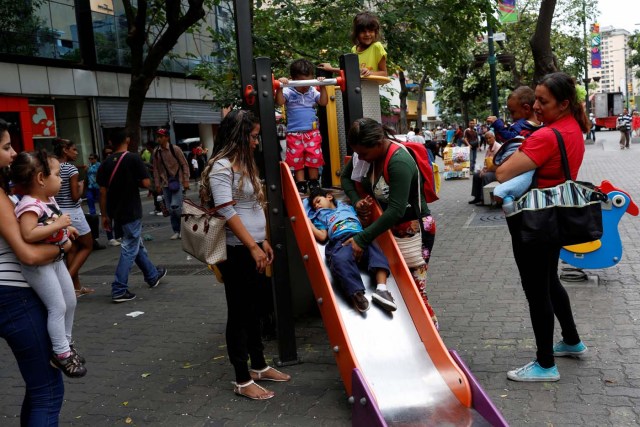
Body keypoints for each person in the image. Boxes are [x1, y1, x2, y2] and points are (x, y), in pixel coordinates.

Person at [496, 72, 589, 382]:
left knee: (537, 290)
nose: (535, 105)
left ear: (563, 104)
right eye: (535, 98)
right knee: (550, 281)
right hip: (555, 216)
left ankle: (545, 364)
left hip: (533, 219)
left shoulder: (546, 136)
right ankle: (572, 341)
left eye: (542, 101)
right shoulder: (572, 128)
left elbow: (502, 173)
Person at [200, 110, 291, 400]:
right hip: (236, 251)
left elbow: (252, 207)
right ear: (239, 136)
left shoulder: (244, 164)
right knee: (239, 313)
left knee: (254, 310)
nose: (255, 142)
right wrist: (252, 245)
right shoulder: (221, 167)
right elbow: (226, 210)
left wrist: (262, 242)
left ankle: (260, 366)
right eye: (252, 136)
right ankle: (241, 378)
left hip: (252, 247)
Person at [341, 118, 438, 329]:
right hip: (387, 228)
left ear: (378, 143)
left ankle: (431, 338)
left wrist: (362, 239)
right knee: (394, 287)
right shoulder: (364, 154)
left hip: (413, 230)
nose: (361, 158)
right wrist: (357, 202)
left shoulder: (399, 161)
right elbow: (346, 179)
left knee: (414, 291)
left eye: (364, 154)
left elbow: (396, 210)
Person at [0, 118, 66, 423]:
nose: (13, 154)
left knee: (39, 387)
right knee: (48, 390)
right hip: (14, 296)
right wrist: (62, 247)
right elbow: (27, 252)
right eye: (6, 147)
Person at [11, 150, 87, 377]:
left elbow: (52, 223)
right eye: (56, 174)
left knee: (70, 300)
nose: (61, 179)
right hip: (39, 266)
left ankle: (66, 343)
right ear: (41, 179)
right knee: (58, 306)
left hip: (55, 260)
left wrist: (66, 228)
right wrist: (58, 226)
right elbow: (29, 234)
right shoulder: (29, 205)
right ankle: (61, 353)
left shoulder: (48, 200)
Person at [97, 128, 167, 303]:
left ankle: (152, 275)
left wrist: (104, 215)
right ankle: (119, 288)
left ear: (111, 143)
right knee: (130, 246)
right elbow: (145, 182)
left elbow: (103, 192)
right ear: (127, 140)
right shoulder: (133, 158)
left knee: (136, 244)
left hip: (115, 212)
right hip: (131, 209)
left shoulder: (105, 163)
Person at [307, 187, 395, 313]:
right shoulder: (322, 216)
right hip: (340, 241)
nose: (316, 206)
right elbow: (322, 236)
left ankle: (382, 289)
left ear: (329, 197)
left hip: (359, 237)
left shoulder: (347, 207)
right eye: (314, 205)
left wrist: (365, 208)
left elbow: (363, 222)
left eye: (318, 201)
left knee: (377, 254)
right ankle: (357, 294)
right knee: (339, 260)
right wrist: (309, 223)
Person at [275, 59, 329, 194]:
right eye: (301, 83)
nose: (305, 86)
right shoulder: (289, 91)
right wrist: (280, 86)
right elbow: (279, 101)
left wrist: (322, 86)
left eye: (308, 82)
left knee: (314, 157)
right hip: (294, 133)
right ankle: (301, 183)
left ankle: (314, 182)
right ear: (293, 79)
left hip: (312, 132)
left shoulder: (312, 91)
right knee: (297, 158)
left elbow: (323, 102)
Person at [53, 138, 95, 297]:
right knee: (87, 245)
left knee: (73, 248)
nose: (77, 153)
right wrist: (81, 187)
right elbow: (75, 196)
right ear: (65, 150)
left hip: (58, 212)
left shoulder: (53, 166)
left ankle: (75, 288)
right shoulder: (71, 169)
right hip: (73, 212)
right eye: (74, 149)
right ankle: (65, 282)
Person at [319, 11, 387, 77]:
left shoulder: (377, 47)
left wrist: (370, 73)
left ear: (375, 32)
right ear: (356, 33)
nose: (367, 34)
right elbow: (351, 71)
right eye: (363, 31)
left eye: (371, 31)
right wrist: (331, 69)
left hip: (371, 87)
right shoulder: (354, 49)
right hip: (356, 86)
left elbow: (384, 73)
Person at [152, 127, 190, 239]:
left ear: (167, 137)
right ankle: (176, 230)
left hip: (178, 181)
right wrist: (157, 184)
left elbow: (184, 164)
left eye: (161, 136)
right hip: (165, 183)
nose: (158, 139)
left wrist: (186, 180)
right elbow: (155, 169)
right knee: (169, 209)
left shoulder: (175, 149)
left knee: (176, 207)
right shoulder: (156, 152)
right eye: (157, 137)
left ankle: (184, 229)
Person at [467, 131, 501, 206]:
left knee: (486, 176)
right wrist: (482, 170)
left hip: (497, 172)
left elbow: (497, 165)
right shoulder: (489, 148)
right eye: (486, 139)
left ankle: (484, 199)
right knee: (476, 175)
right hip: (490, 170)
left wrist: (486, 171)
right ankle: (477, 197)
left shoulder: (498, 148)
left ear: (494, 138)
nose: (488, 140)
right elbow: (486, 163)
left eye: (490, 138)